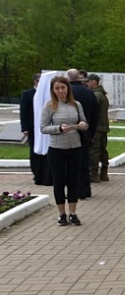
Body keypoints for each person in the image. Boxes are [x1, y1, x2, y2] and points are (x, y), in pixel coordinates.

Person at [40, 75, 88, 226]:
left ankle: (73, 213)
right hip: (57, 148)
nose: (60, 91)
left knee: (73, 180)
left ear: (68, 88)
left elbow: (85, 122)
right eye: (57, 88)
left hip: (75, 147)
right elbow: (43, 128)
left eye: (63, 88)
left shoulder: (76, 105)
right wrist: (59, 128)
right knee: (59, 181)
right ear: (53, 90)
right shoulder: (49, 106)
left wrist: (82, 124)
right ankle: (62, 214)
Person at [67, 69, 97, 199]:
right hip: (86, 132)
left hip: (69, 133)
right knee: (84, 162)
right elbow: (95, 116)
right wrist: (90, 132)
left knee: (71, 164)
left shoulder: (67, 93)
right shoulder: (89, 93)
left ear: (68, 78)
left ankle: (74, 191)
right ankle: (85, 189)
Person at [20, 73, 52, 186]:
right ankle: (37, 174)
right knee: (35, 153)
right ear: (35, 81)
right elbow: (23, 112)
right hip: (33, 129)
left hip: (46, 129)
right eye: (38, 81)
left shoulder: (48, 94)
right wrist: (25, 128)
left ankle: (47, 175)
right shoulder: (28, 94)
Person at [86, 74, 110, 182]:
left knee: (94, 151)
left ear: (94, 82)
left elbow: (92, 111)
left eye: (88, 82)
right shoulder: (102, 95)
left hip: (97, 128)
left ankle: (94, 175)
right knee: (102, 150)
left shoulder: (96, 95)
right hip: (103, 127)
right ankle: (104, 173)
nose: (87, 84)